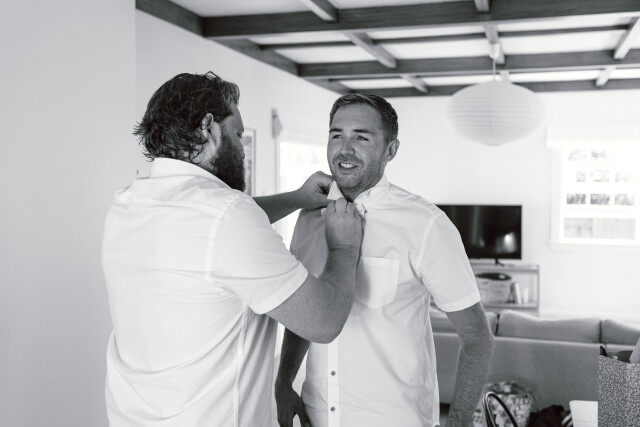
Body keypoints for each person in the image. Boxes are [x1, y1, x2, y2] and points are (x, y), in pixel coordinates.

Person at [101, 72, 363, 426]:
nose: (242, 149)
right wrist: (344, 245)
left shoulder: (128, 203)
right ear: (208, 128)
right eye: (238, 134)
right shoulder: (226, 217)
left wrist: (296, 198)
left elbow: (212, 229)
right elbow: (324, 322)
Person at [275, 94, 494, 427]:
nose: (344, 149)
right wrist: (283, 381)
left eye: (361, 138)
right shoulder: (308, 218)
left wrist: (459, 421)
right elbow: (304, 313)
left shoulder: (427, 225)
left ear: (390, 150)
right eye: (337, 135)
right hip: (315, 415)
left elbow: (477, 336)